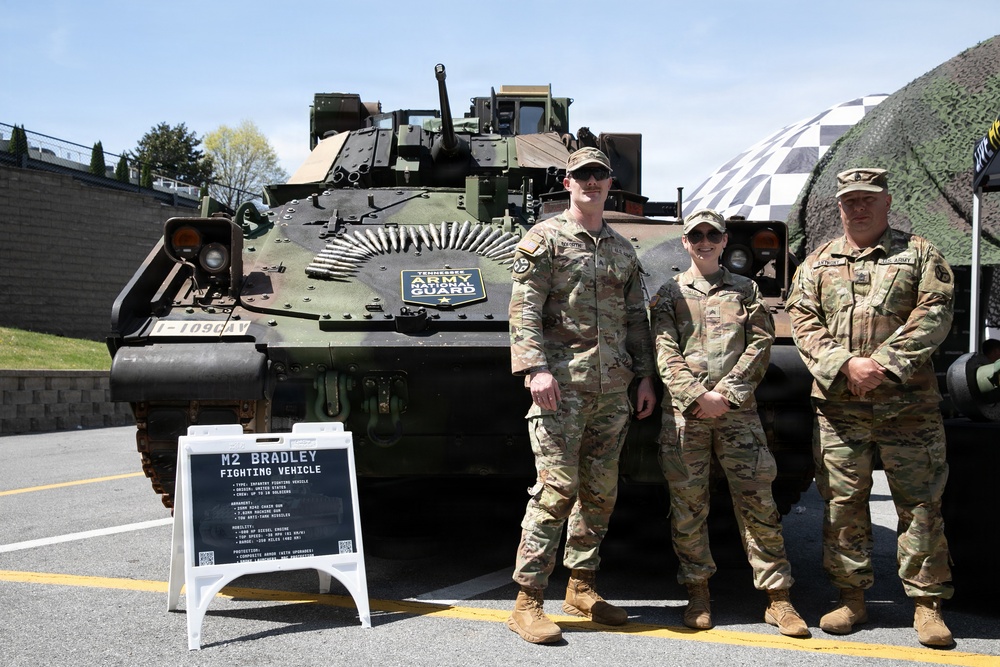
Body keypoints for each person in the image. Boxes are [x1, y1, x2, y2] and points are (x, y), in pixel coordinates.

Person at [786, 168, 956, 648]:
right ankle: (851, 599)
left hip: (908, 406)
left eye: (868, 199)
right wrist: (845, 365)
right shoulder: (817, 262)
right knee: (843, 507)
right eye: (849, 201)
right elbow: (802, 319)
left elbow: (936, 312)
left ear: (886, 202)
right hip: (841, 408)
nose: (858, 208)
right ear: (840, 207)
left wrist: (882, 364)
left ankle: (927, 606)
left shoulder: (920, 254)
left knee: (921, 506)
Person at [506, 146, 657, 644]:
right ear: (568, 183)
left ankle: (581, 586)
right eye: (582, 175)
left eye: (599, 174)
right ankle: (527, 600)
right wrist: (534, 369)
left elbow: (637, 318)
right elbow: (524, 306)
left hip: (613, 390)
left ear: (610, 182)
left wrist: (644, 377)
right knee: (554, 492)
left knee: (599, 494)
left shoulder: (620, 248)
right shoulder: (544, 239)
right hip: (560, 389)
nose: (591, 182)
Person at [649, 208, 809, 637]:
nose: (704, 241)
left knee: (759, 505)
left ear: (723, 241)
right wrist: (698, 396)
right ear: (685, 242)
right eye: (695, 235)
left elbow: (760, 343)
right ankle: (698, 593)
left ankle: (778, 599)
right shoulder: (669, 293)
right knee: (688, 509)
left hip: (738, 415)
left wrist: (728, 394)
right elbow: (664, 349)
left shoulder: (746, 290)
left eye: (711, 235)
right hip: (686, 415)